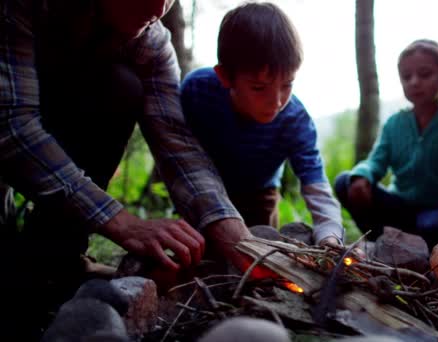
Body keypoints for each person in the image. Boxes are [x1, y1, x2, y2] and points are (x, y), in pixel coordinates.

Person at [0, 0, 256, 338]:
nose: (161, 6)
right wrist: (122, 222)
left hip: (53, 118)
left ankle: (54, 259)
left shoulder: (152, 42)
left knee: (120, 86)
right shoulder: (25, 6)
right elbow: (12, 126)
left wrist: (240, 240)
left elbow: (177, 145)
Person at [181, 2, 344, 246]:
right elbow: (178, 151)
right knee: (203, 252)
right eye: (259, 87)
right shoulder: (198, 91)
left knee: (260, 250)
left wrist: (330, 233)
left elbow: (314, 181)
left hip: (260, 194)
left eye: (287, 84)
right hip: (203, 186)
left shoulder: (295, 120)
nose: (277, 101)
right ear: (225, 76)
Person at [334, 40, 438, 247]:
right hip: (399, 207)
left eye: (425, 74)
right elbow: (376, 161)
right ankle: (381, 241)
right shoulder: (394, 124)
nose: (414, 82)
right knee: (346, 182)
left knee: (433, 226)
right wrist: (363, 176)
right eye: (406, 76)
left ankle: (411, 245)